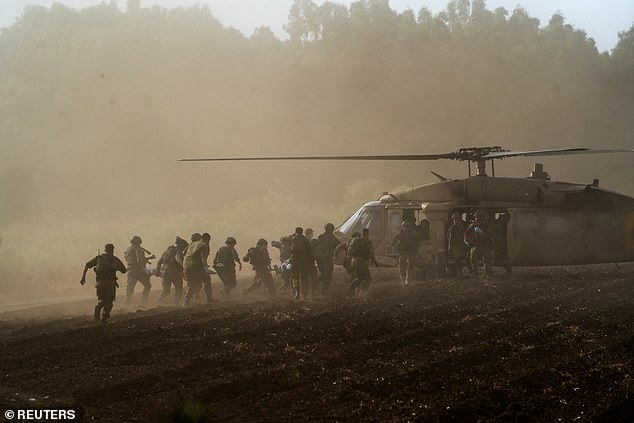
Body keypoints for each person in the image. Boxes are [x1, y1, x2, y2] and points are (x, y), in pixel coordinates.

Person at [80, 243, 126, 324]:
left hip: (99, 283)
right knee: (109, 303)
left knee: (102, 301)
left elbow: (87, 265)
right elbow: (124, 270)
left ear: (105, 250)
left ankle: (97, 310)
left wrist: (83, 277)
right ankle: (104, 317)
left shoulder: (99, 258)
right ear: (113, 250)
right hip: (110, 284)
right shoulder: (115, 259)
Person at [155, 236, 188, 304]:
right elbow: (179, 261)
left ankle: (159, 301)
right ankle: (176, 304)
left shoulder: (168, 250)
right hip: (175, 272)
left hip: (165, 271)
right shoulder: (178, 251)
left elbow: (159, 262)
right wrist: (184, 271)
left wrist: (157, 272)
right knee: (179, 289)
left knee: (166, 290)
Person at [124, 235, 155, 305]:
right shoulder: (138, 249)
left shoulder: (128, 250)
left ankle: (126, 304)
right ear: (138, 242)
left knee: (130, 288)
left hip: (130, 270)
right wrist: (143, 270)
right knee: (147, 285)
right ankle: (143, 303)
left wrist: (148, 258)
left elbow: (131, 260)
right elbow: (139, 260)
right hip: (138, 270)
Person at [183, 232, 213, 305]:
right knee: (207, 280)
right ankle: (209, 299)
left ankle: (186, 302)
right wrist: (206, 269)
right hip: (196, 267)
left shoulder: (191, 244)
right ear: (208, 239)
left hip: (186, 266)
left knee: (191, 284)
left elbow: (184, 253)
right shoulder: (204, 245)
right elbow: (203, 257)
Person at [464, 210, 494, 279]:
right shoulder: (472, 225)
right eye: (478, 217)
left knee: (487, 261)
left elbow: (490, 235)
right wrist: (467, 242)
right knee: (472, 257)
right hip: (476, 246)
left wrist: (481, 232)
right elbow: (466, 235)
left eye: (483, 217)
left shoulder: (488, 225)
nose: (482, 219)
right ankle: (475, 273)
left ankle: (489, 275)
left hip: (486, 245)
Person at [347, 228, 375, 296]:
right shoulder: (366, 240)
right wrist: (372, 259)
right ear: (367, 233)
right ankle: (362, 294)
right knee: (368, 278)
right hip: (361, 261)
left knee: (360, 277)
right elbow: (371, 251)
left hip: (353, 261)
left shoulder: (354, 240)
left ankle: (352, 286)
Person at [392, 220, 420, 285]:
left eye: (408, 226)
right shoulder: (400, 234)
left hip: (410, 251)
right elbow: (394, 241)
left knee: (410, 264)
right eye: (405, 226)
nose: (406, 228)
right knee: (402, 266)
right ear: (402, 227)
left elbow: (419, 240)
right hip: (403, 252)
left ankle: (409, 279)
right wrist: (395, 247)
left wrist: (416, 246)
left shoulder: (413, 234)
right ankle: (403, 280)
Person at [290, 227, 314, 301]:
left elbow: (291, 251)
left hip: (295, 262)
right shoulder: (305, 240)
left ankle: (297, 292)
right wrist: (311, 262)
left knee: (295, 278)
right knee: (304, 279)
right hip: (304, 262)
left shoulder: (293, 240)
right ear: (302, 232)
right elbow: (310, 252)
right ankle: (304, 296)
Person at [316, 223, 340, 295]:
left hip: (321, 259)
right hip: (328, 259)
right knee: (328, 276)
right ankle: (323, 291)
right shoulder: (332, 238)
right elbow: (338, 245)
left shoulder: (321, 237)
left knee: (325, 274)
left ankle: (317, 285)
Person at [447, 212, 469, 277]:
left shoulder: (465, 226)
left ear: (460, 219)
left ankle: (469, 272)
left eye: (457, 219)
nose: (455, 221)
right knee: (457, 259)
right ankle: (459, 272)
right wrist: (450, 248)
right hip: (456, 246)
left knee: (467, 257)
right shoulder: (452, 227)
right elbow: (449, 238)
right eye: (454, 219)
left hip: (464, 245)